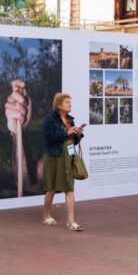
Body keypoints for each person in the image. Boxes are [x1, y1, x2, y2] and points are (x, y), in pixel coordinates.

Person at [42, 93, 85, 231]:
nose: (70, 104)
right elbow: (49, 138)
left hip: (68, 157)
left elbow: (73, 141)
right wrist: (67, 133)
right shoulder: (50, 120)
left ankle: (71, 222)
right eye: (67, 102)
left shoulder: (70, 120)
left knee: (70, 189)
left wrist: (78, 134)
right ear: (59, 105)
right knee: (52, 189)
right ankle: (46, 216)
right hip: (54, 157)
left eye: (70, 102)